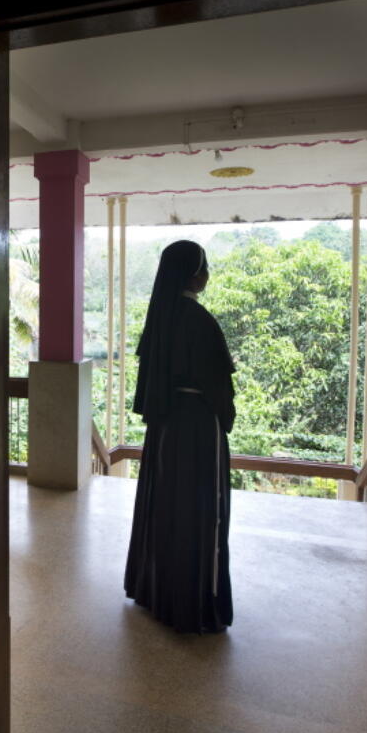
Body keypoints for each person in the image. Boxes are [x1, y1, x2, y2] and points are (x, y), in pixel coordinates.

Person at [124, 240, 237, 634]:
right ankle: (194, 603)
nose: (207, 276)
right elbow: (219, 387)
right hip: (197, 429)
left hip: (165, 428)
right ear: (194, 274)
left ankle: (157, 591)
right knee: (200, 512)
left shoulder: (159, 320)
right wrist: (225, 418)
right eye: (205, 268)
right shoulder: (200, 321)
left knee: (165, 506)